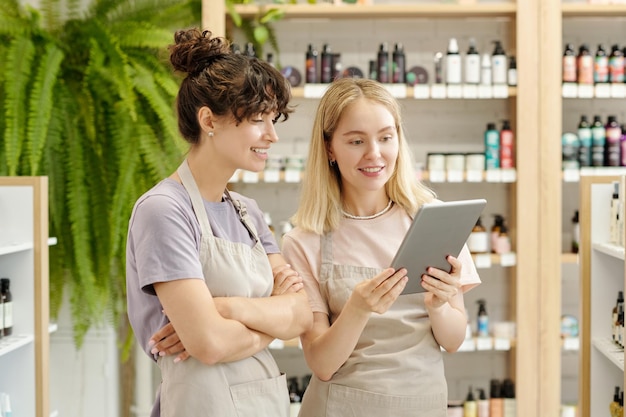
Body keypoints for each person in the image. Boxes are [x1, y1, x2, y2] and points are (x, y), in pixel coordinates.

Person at [125, 28, 312, 417]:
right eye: (259, 119)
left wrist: (225, 308)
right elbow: (208, 343)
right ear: (209, 119)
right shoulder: (164, 211)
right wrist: (268, 318)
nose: (272, 135)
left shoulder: (248, 212)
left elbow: (300, 317)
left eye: (274, 119)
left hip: (261, 402)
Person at [280, 77, 482, 417]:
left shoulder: (435, 220)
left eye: (386, 137)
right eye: (356, 141)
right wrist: (357, 308)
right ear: (329, 147)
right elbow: (322, 364)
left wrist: (440, 305)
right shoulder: (304, 241)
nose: (374, 154)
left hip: (424, 406)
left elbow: (453, 340)